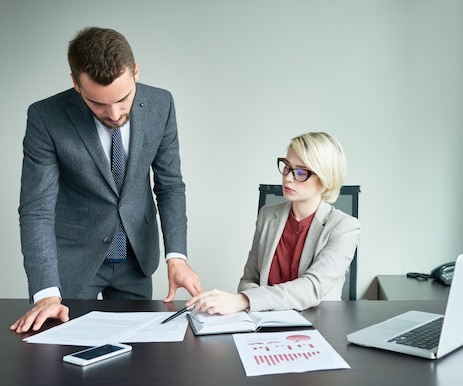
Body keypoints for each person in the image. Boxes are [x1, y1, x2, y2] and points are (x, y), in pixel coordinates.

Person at [11, 27, 203, 333]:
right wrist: (46, 293)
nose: (114, 113)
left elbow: (169, 186)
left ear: (135, 72)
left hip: (137, 257)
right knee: (66, 360)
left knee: (137, 359)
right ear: (76, 83)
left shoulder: (161, 104)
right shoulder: (46, 117)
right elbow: (37, 210)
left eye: (123, 99)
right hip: (74, 261)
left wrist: (176, 255)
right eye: (98, 103)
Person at [188, 132, 360, 315]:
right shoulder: (267, 216)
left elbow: (312, 288)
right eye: (287, 167)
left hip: (318, 326)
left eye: (301, 172)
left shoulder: (345, 227)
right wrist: (254, 302)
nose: (288, 177)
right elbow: (248, 280)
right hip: (265, 324)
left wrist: (246, 300)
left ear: (325, 180)